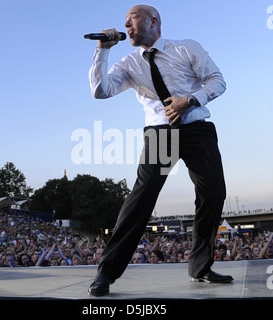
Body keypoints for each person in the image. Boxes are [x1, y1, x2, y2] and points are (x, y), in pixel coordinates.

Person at [87, 4, 231, 296]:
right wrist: (103, 49)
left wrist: (189, 100)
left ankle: (200, 267)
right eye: (124, 22)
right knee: (143, 196)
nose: (126, 25)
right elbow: (100, 90)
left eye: (133, 18)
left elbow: (217, 81)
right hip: (161, 135)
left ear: (154, 21)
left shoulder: (185, 48)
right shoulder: (128, 63)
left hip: (195, 129)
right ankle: (106, 273)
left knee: (213, 193)